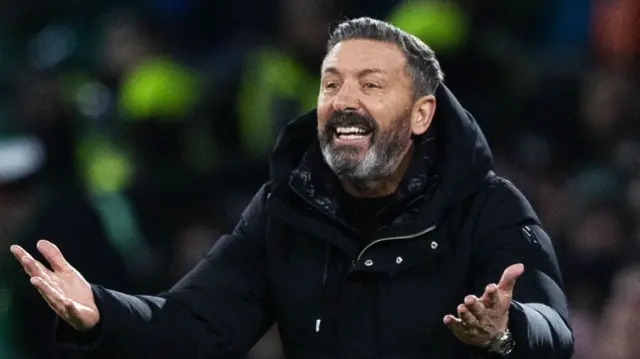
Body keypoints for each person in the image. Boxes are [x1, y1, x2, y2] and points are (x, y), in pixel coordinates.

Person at [9, 17, 574, 359]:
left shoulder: (487, 206)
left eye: (370, 85)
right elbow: (197, 325)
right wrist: (103, 312)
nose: (344, 102)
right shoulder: (285, 211)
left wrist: (507, 331)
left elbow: (553, 329)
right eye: (332, 85)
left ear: (421, 113)